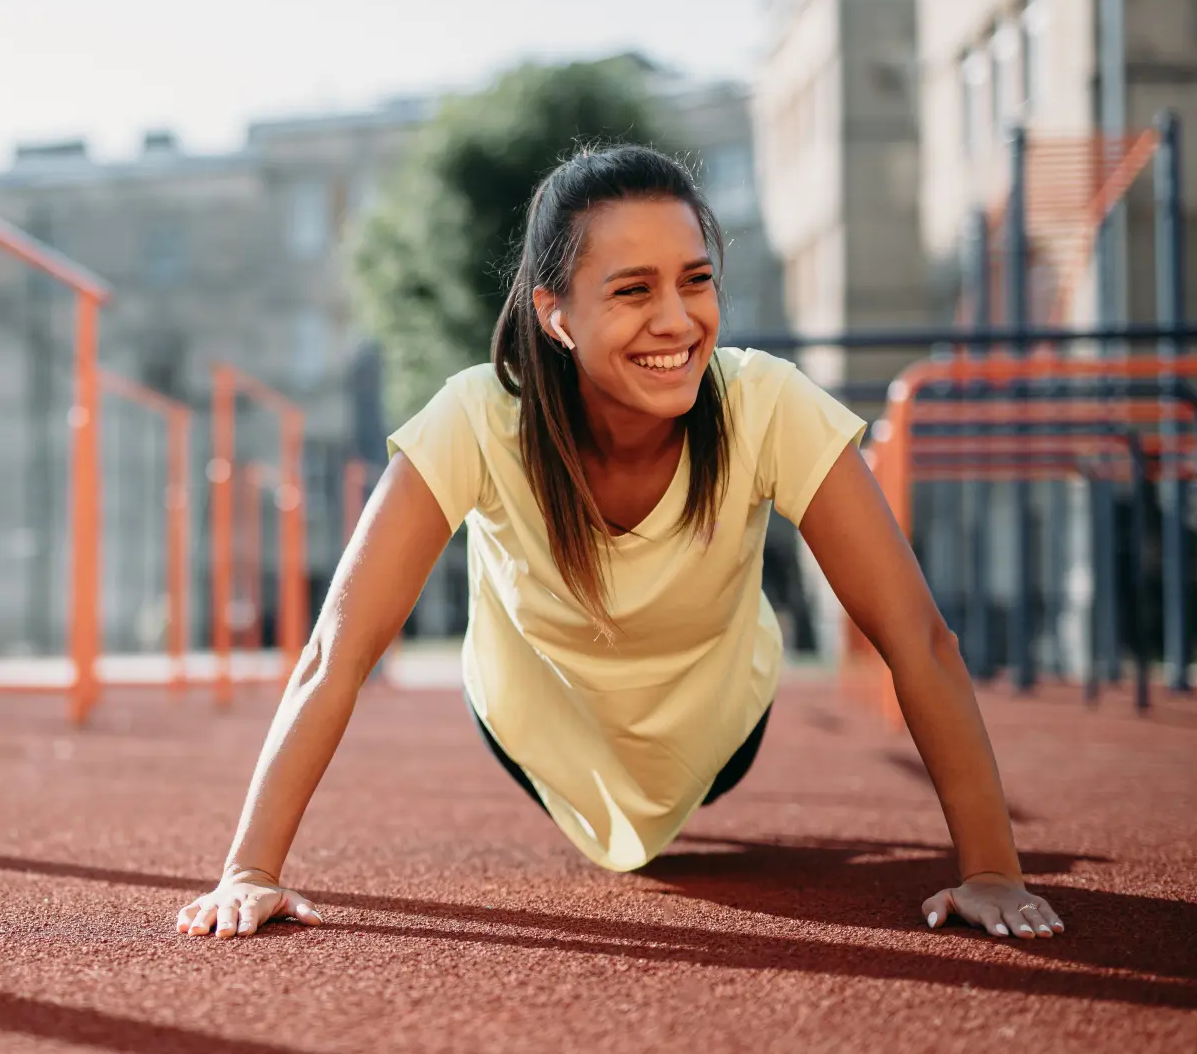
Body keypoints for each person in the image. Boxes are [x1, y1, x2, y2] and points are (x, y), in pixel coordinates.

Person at [176, 144, 1063, 942]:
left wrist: (991, 868)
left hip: (719, 726)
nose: (677, 320)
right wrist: (249, 871)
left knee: (704, 778)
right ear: (556, 315)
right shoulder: (476, 419)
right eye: (634, 290)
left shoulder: (766, 403)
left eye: (696, 280)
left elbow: (918, 635)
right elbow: (339, 651)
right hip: (536, 721)